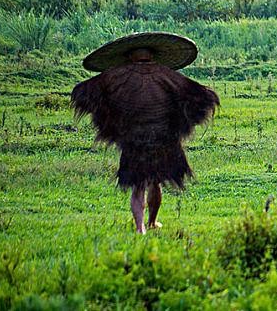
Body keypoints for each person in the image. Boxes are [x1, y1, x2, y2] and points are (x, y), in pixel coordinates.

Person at [71, 32, 219, 234]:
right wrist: (175, 121)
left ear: (130, 56)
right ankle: (151, 222)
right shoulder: (167, 75)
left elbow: (83, 92)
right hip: (163, 139)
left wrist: (116, 115)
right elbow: (203, 96)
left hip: (133, 139)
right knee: (155, 182)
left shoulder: (115, 76)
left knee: (138, 185)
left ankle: (140, 227)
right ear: (152, 56)